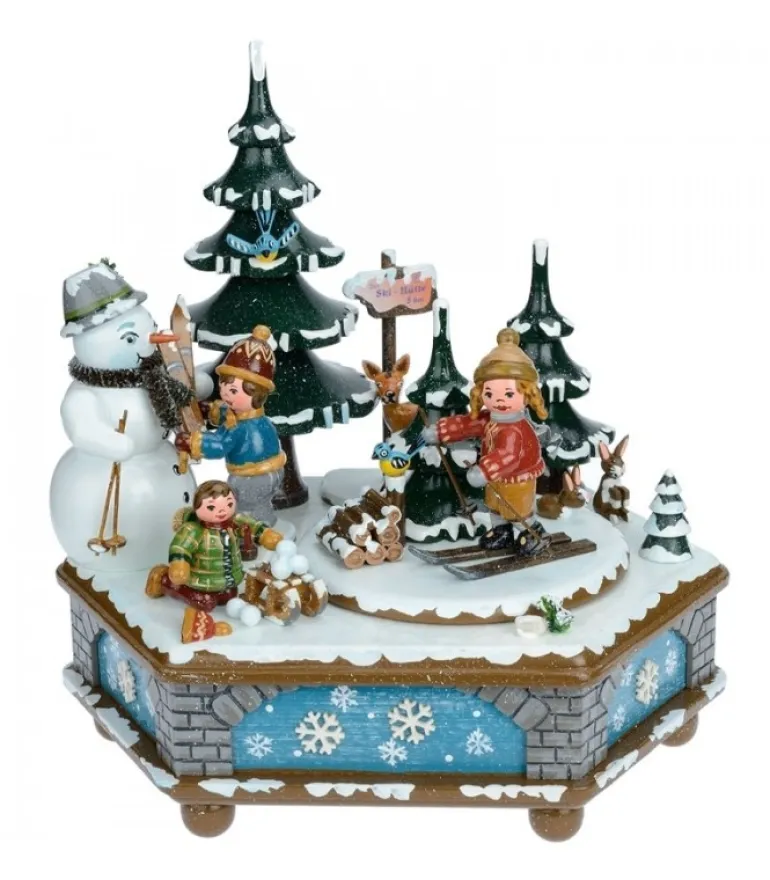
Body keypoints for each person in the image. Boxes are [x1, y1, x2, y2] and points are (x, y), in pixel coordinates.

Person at [422, 328, 548, 548]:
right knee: (495, 506)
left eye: (509, 394)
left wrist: (485, 470)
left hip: (517, 478)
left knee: (517, 510)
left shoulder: (515, 429)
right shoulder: (491, 419)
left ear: (527, 394)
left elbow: (508, 455)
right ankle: (502, 532)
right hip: (494, 477)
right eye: (489, 394)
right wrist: (441, 431)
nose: (499, 400)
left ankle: (534, 534)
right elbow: (468, 424)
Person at [175, 325, 286, 525]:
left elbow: (219, 445)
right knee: (258, 504)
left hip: (253, 478)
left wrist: (193, 443)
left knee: (243, 506)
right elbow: (225, 413)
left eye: (233, 391)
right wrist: (211, 411)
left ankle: (251, 530)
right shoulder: (243, 415)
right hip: (268, 474)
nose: (225, 394)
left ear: (257, 395)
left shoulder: (242, 427)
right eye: (223, 386)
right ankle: (262, 520)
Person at [147, 479, 282, 612]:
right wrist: (180, 564)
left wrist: (265, 534)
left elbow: (252, 525)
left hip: (229, 581)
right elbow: (181, 547)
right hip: (200, 581)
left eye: (229, 504)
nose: (222, 511)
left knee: (230, 595)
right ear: (196, 508)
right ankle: (163, 581)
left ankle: (218, 592)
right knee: (205, 602)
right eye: (211, 507)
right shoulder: (194, 530)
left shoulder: (234, 522)